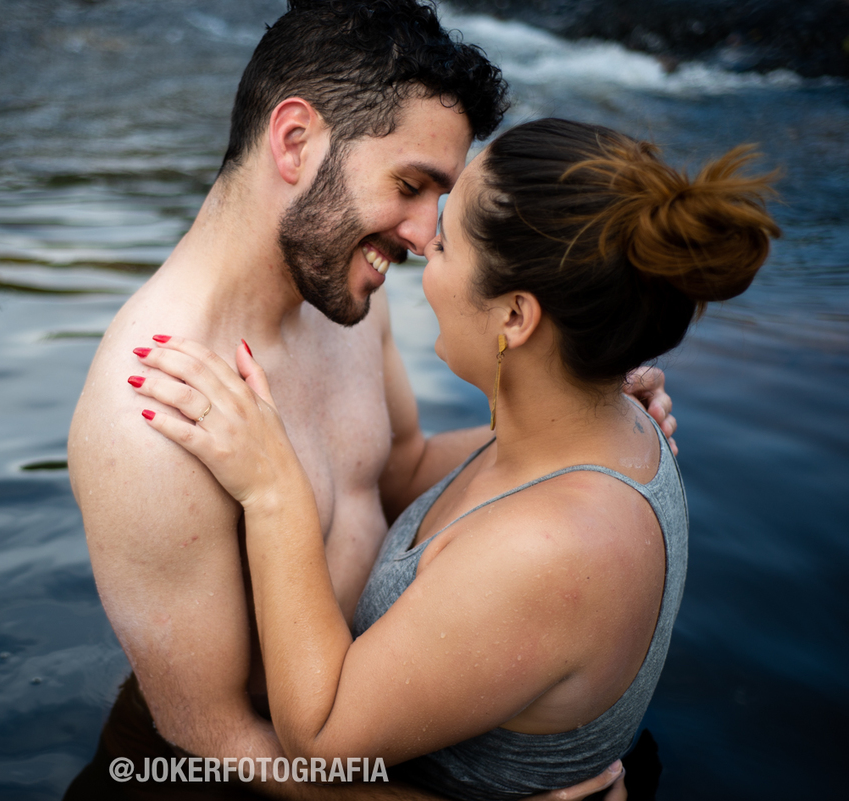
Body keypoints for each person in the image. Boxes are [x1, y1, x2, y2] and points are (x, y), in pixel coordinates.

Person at [68, 2, 672, 796]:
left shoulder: (345, 291)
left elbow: (400, 468)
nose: (427, 236)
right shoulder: (150, 408)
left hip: (391, 711)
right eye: (411, 185)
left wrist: (583, 413)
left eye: (442, 198)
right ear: (295, 142)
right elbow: (208, 732)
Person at [130, 118, 780, 799]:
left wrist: (272, 491)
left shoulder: (549, 549)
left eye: (443, 244)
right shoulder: (596, 429)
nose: (420, 256)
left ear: (515, 317)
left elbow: (319, 739)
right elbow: (409, 471)